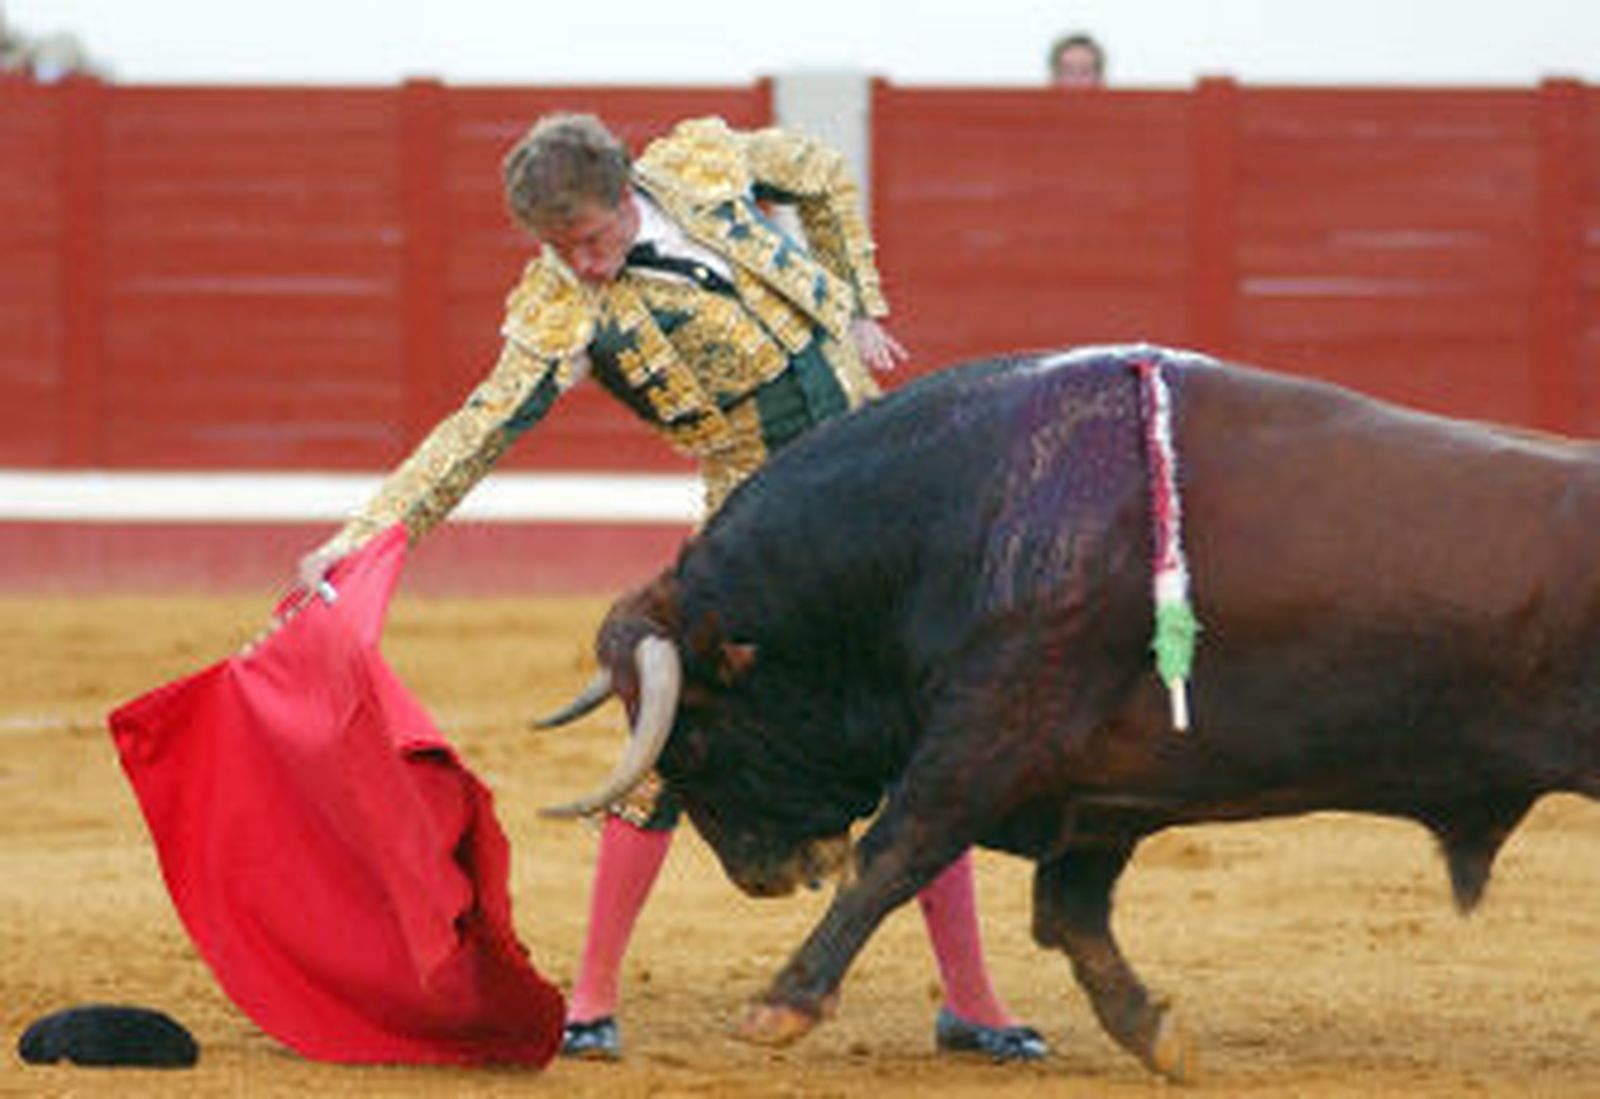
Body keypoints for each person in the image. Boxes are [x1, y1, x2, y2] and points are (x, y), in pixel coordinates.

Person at [295, 112, 1048, 1064]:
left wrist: (857, 297)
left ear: (626, 196)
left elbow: (815, 169)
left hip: (881, 499)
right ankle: (592, 998)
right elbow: (475, 429)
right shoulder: (560, 308)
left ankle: (973, 1001)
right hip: (758, 529)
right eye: (562, 251)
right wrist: (363, 538)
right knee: (665, 729)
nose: (586, 265)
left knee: (924, 734)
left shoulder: (699, 163)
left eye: (595, 241)